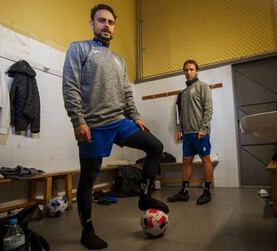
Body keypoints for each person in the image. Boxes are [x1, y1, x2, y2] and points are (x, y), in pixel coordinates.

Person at [62, 4, 169, 249]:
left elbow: (126, 92)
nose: (106, 25)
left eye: (110, 22)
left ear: (114, 26)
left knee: (155, 146)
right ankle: (87, 230)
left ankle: (144, 196)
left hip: (120, 121)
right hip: (94, 124)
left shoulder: (119, 60)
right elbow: (70, 86)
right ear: (92, 24)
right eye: (101, 21)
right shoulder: (79, 48)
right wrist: (77, 120)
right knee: (89, 177)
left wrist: (135, 116)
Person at [167, 60, 214, 205]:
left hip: (200, 132)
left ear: (197, 71)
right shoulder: (183, 93)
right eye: (186, 70)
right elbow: (179, 113)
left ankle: (207, 192)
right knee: (186, 161)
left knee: (206, 160)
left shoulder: (203, 86)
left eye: (191, 69)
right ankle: (184, 192)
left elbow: (208, 109)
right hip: (187, 134)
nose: (188, 72)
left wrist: (203, 129)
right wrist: (180, 129)